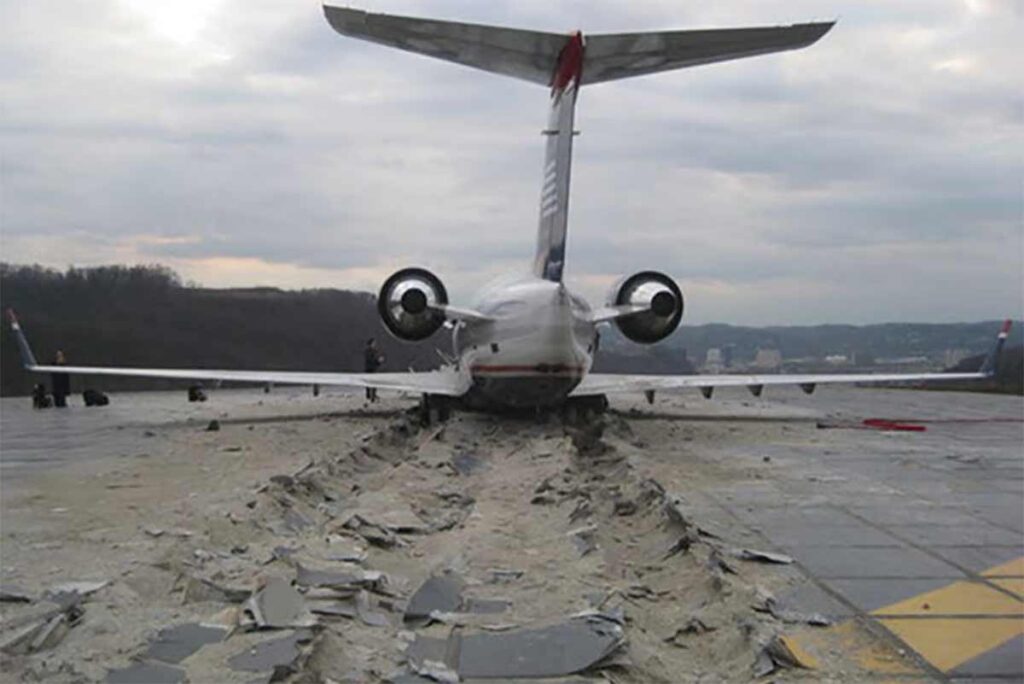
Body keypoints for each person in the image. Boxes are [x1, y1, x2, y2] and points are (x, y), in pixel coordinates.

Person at [363, 338, 384, 402]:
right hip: (369, 369)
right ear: (370, 344)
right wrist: (378, 360)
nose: (375, 344)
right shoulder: (368, 351)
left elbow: (375, 361)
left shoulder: (375, 351)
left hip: (373, 368)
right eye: (373, 343)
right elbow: (370, 360)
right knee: (369, 383)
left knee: (374, 383)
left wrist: (379, 361)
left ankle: (373, 395)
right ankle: (369, 395)